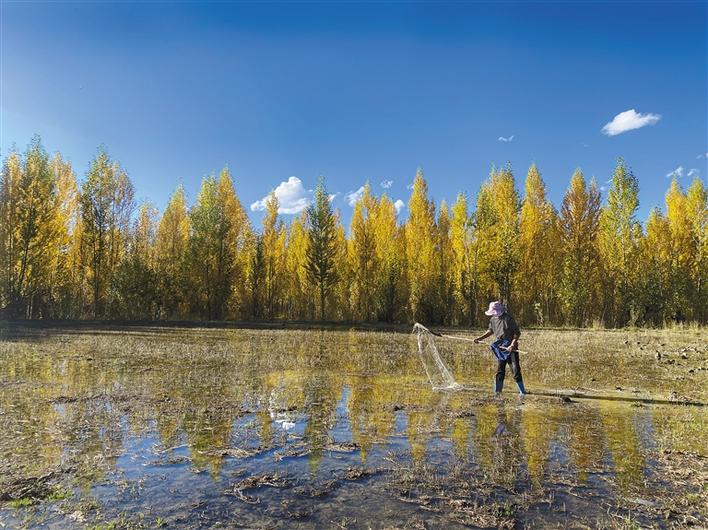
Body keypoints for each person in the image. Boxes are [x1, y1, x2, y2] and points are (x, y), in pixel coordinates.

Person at [473, 301, 526, 396]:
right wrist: (480, 338)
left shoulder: (509, 319)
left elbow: (517, 333)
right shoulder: (493, 319)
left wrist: (512, 345)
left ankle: (522, 392)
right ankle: (497, 391)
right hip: (500, 348)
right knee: (500, 370)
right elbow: (490, 331)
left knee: (515, 370)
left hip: (511, 349)